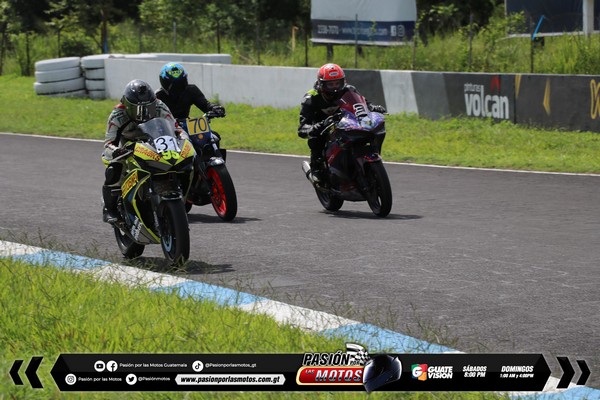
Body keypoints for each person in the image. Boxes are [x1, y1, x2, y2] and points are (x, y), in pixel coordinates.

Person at [101, 79, 180, 224]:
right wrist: (116, 151)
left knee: (181, 160)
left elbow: (176, 128)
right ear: (128, 106)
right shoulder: (117, 115)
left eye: (149, 107)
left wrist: (183, 138)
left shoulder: (160, 106)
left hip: (156, 141)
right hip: (128, 147)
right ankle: (109, 208)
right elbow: (108, 143)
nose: (145, 112)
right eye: (138, 108)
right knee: (114, 169)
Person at [297, 63, 387, 182]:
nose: (335, 88)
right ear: (321, 84)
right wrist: (317, 127)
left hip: (347, 123)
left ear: (343, 81)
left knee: (368, 130)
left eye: (337, 83)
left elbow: (364, 104)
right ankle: (317, 169)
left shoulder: (349, 90)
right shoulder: (311, 98)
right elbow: (302, 128)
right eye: (330, 84)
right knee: (316, 140)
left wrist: (373, 108)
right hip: (324, 127)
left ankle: (368, 158)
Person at [155, 62, 225, 121]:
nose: (177, 88)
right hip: (167, 129)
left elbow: (205, 104)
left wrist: (214, 107)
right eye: (173, 85)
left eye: (180, 83)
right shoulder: (158, 96)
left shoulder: (191, 90)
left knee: (213, 133)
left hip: (186, 126)